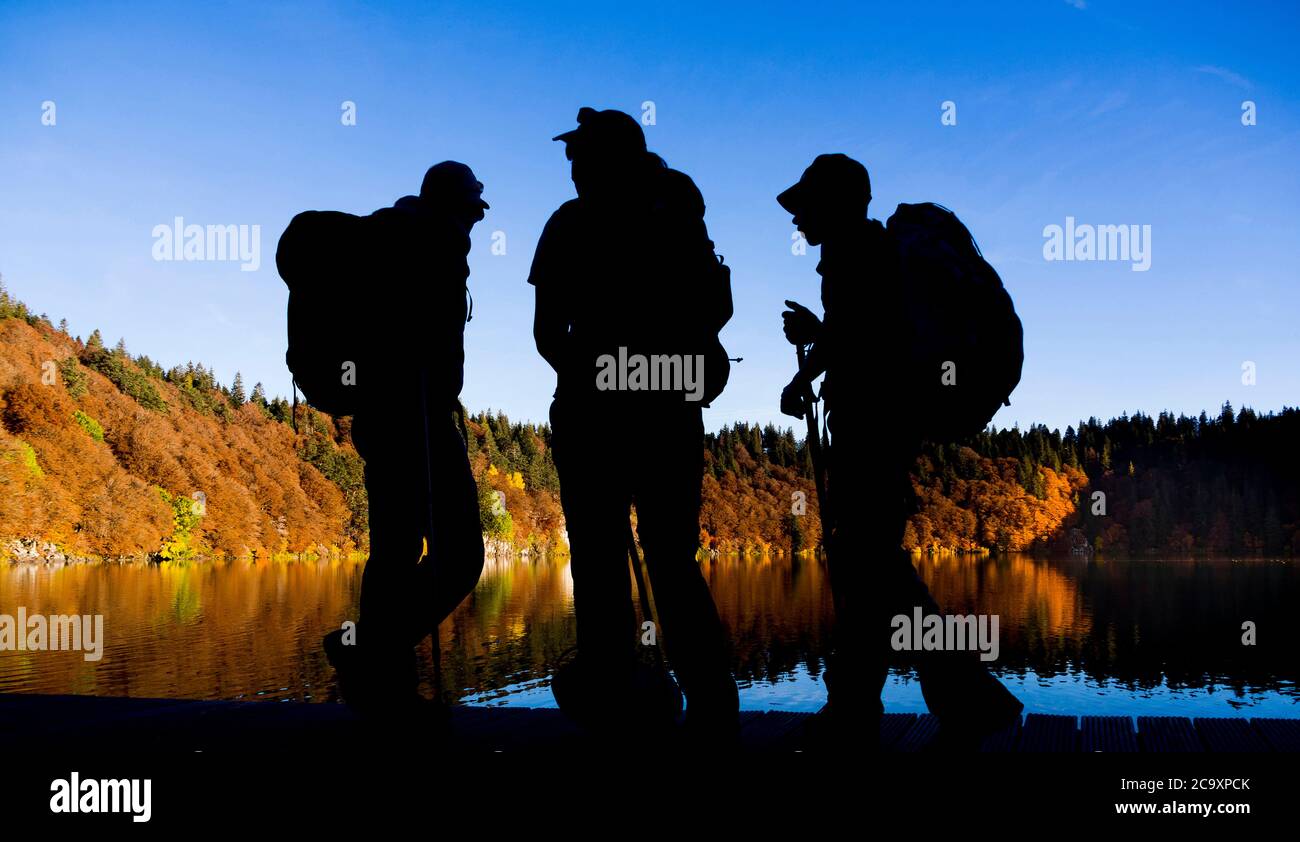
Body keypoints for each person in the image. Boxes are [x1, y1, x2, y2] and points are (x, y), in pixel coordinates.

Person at [777, 153, 1022, 747]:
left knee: (870, 571)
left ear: (836, 203)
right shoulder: (871, 252)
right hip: (883, 431)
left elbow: (865, 345)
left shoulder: (853, 255)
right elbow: (862, 339)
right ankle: (890, 702)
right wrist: (809, 368)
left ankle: (911, 701)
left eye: (806, 206)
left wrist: (815, 350)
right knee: (872, 572)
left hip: (871, 435)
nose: (797, 220)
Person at [529, 108, 739, 738]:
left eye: (579, 155)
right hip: (669, 412)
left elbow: (546, 334)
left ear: (605, 158)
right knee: (672, 559)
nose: (570, 167)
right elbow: (716, 307)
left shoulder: (568, 226)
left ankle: (614, 702)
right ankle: (711, 703)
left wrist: (596, 376)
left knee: (598, 562)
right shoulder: (677, 215)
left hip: (595, 418)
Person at [323, 161, 489, 717]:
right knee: (461, 555)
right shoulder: (428, 239)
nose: (475, 221)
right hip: (414, 414)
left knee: (394, 551)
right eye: (472, 209)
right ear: (454, 205)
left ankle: (382, 689)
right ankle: (373, 658)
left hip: (386, 414)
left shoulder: (389, 232)